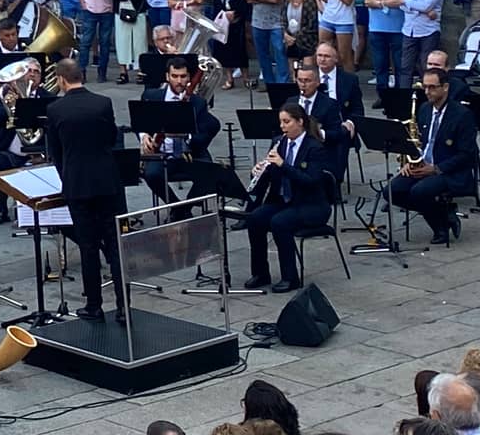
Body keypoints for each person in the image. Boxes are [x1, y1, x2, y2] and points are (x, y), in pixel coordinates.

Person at [46, 58, 125, 321]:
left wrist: (66, 176)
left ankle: (94, 305)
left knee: (88, 246)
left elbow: (55, 152)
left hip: (78, 185)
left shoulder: (56, 109)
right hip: (107, 182)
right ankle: (124, 307)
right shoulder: (103, 103)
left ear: (61, 79)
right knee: (115, 246)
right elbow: (112, 138)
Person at [242, 102, 336, 293]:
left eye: (287, 122)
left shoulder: (314, 148)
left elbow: (310, 181)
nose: (282, 127)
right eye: (281, 122)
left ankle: (290, 277)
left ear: (300, 122)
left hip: (310, 205)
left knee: (280, 222)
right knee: (255, 219)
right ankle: (260, 273)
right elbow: (272, 177)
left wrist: (283, 165)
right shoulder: (279, 142)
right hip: (284, 200)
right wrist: (259, 171)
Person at [389, 68, 479, 245]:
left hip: (448, 170)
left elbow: (467, 154)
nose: (427, 92)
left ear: (445, 87)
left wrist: (436, 169)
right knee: (391, 191)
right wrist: (410, 161)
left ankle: (441, 228)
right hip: (424, 165)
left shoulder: (462, 115)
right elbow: (419, 142)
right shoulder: (424, 109)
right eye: (425, 87)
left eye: (432, 87)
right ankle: (444, 212)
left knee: (419, 192)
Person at [140, 57, 220, 205]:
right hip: (162, 153)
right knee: (151, 175)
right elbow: (140, 122)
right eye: (174, 76)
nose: (179, 81)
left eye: (183, 76)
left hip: (189, 154)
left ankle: (184, 209)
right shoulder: (151, 96)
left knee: (210, 174)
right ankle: (175, 205)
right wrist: (144, 135)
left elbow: (205, 132)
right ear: (167, 77)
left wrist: (186, 136)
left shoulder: (198, 102)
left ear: (189, 77)